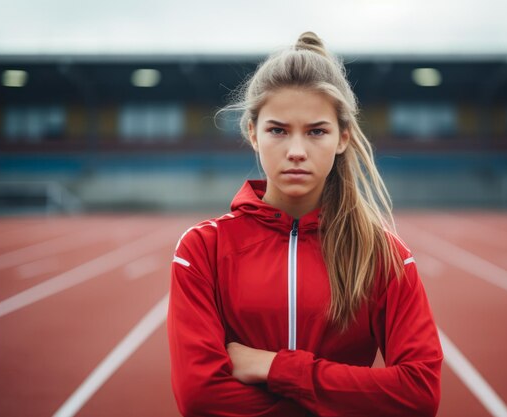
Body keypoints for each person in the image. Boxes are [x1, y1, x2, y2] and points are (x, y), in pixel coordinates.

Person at [167, 31, 443, 417]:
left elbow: (418, 394)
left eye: (317, 131)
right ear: (253, 134)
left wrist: (276, 368)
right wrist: (346, 398)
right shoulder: (202, 249)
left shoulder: (383, 255)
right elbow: (200, 398)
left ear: (343, 137)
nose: (296, 151)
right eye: (278, 130)